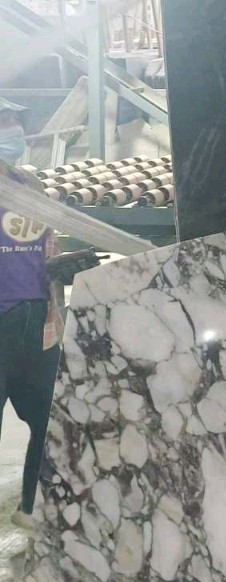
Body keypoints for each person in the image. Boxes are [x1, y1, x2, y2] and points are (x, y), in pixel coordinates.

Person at [0, 98, 65, 536]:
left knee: (51, 422)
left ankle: (31, 507)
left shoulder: (29, 185)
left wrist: (62, 270)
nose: (15, 130)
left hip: (38, 323)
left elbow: (46, 247)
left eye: (16, 120)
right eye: (6, 121)